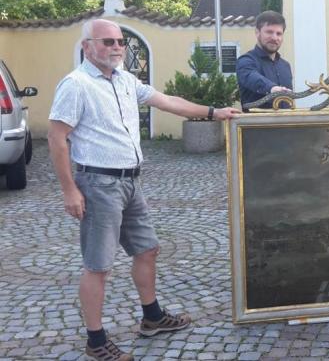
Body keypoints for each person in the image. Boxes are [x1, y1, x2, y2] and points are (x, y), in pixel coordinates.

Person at [48, 19, 241, 361]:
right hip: (98, 183)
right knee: (98, 266)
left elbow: (168, 101)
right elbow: (57, 139)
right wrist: (69, 191)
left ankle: (152, 317)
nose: (117, 47)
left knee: (147, 250)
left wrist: (214, 112)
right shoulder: (76, 85)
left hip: (130, 182)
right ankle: (95, 341)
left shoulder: (125, 80)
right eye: (107, 42)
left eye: (120, 42)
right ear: (87, 47)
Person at [236, 10, 293, 110]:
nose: (274, 37)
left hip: (286, 124)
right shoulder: (245, 61)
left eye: (279, 33)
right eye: (269, 32)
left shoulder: (285, 66)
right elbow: (251, 77)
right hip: (256, 125)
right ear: (257, 33)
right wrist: (272, 88)